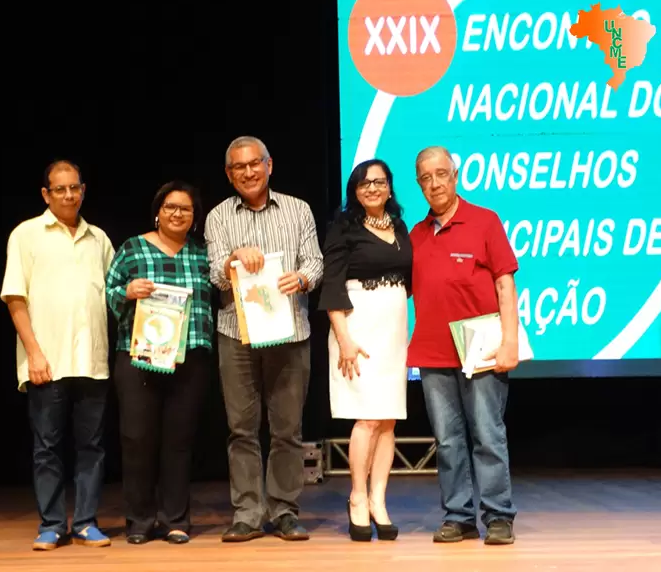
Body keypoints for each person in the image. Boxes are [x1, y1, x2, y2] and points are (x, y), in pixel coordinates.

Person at [204, 135, 323, 542]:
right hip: (236, 334)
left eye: (255, 163)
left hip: (290, 331)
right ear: (229, 174)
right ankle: (248, 513)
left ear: (269, 165)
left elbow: (315, 262)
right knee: (241, 429)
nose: (249, 172)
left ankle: (285, 510)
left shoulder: (298, 209)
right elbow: (215, 275)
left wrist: (302, 278)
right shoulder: (218, 216)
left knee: (288, 429)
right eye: (239, 167)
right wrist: (232, 260)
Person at [407, 146, 519, 546]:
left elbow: (505, 283)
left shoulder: (485, 220)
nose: (435, 183)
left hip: (481, 349)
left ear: (455, 176)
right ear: (419, 184)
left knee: (487, 434)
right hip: (432, 352)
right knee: (448, 440)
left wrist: (510, 341)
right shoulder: (416, 234)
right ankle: (459, 515)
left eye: (441, 174)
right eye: (426, 178)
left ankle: (498, 515)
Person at [0, 160, 114, 550]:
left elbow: (114, 293)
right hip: (47, 360)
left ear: (83, 190)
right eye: (60, 189)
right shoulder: (26, 234)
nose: (68, 195)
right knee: (47, 447)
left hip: (92, 361)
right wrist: (33, 353)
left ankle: (85, 522)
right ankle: (51, 524)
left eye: (74, 187)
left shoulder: (98, 238)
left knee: (92, 446)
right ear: (46, 194)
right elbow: (15, 297)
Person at [105, 181, 214, 545]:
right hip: (139, 357)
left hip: (190, 356)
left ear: (195, 216)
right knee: (137, 439)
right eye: (170, 207)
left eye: (185, 209)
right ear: (157, 211)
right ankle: (139, 520)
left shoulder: (203, 253)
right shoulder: (133, 248)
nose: (177, 214)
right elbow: (108, 292)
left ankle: (175, 520)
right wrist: (127, 291)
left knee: (179, 442)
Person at [318, 159, 412, 542]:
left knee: (388, 419)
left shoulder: (400, 226)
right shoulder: (343, 226)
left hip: (393, 330)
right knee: (367, 418)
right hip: (357, 329)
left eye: (379, 182)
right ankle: (357, 497)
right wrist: (343, 337)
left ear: (389, 187)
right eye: (363, 183)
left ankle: (378, 500)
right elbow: (332, 283)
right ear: (354, 191)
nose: (372, 188)